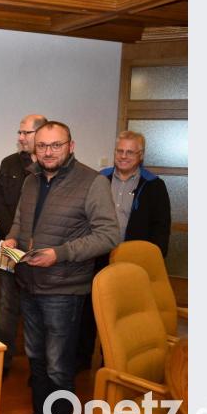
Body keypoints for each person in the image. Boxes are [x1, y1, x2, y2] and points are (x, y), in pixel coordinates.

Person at [1, 121, 120, 414]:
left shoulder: (91, 182)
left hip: (63, 290)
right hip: (28, 284)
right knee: (36, 362)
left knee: (58, 368)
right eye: (42, 146)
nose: (48, 151)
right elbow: (19, 222)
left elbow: (109, 235)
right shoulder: (31, 181)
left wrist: (61, 253)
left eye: (56, 145)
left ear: (71, 145)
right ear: (33, 148)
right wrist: (12, 239)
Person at [76, 130, 173, 370]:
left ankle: (113, 364)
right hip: (97, 257)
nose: (123, 156)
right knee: (89, 312)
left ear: (140, 155)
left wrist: (151, 259)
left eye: (130, 152)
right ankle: (81, 359)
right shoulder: (99, 179)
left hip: (130, 264)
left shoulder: (153, 185)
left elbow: (162, 227)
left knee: (121, 317)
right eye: (120, 151)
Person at [0, 114, 47, 379]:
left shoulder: (50, 167)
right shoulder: (9, 163)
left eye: (26, 133)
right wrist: (13, 233)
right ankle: (4, 364)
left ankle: (39, 373)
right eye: (19, 132)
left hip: (41, 251)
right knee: (7, 306)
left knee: (39, 310)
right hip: (10, 245)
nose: (21, 137)